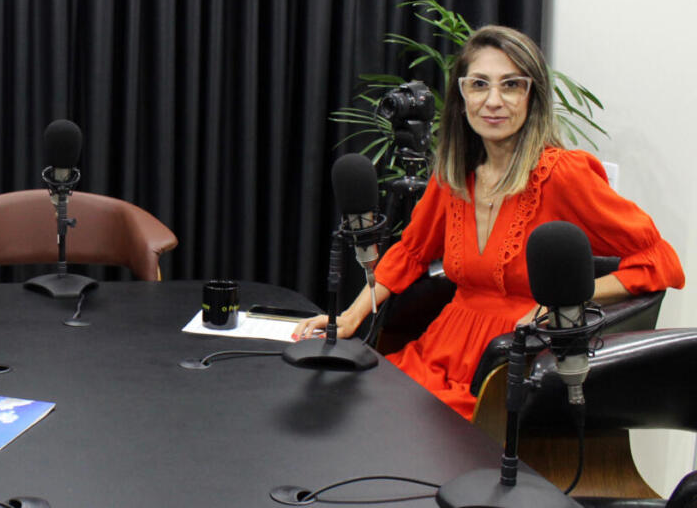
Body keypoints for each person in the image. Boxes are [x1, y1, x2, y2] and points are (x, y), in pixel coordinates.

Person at [292, 25, 685, 419]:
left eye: (511, 85)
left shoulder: (563, 174)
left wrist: (568, 299)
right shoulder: (453, 175)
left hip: (510, 372)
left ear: (532, 96)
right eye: (479, 84)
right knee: (337, 409)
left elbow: (660, 261)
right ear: (462, 96)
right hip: (435, 356)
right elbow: (411, 253)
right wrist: (351, 316)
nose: (493, 101)